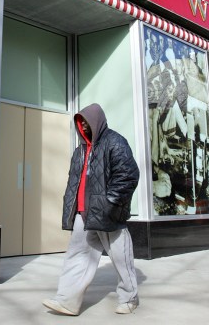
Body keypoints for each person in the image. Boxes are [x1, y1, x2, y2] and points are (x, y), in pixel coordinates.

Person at [43, 103, 140, 316]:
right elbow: (73, 183)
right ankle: (67, 301)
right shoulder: (79, 151)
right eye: (81, 123)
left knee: (121, 258)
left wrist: (110, 203)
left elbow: (129, 175)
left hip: (108, 213)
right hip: (83, 213)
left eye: (87, 122)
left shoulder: (115, 142)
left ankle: (129, 298)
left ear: (97, 121)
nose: (84, 127)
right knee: (76, 256)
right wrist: (71, 209)